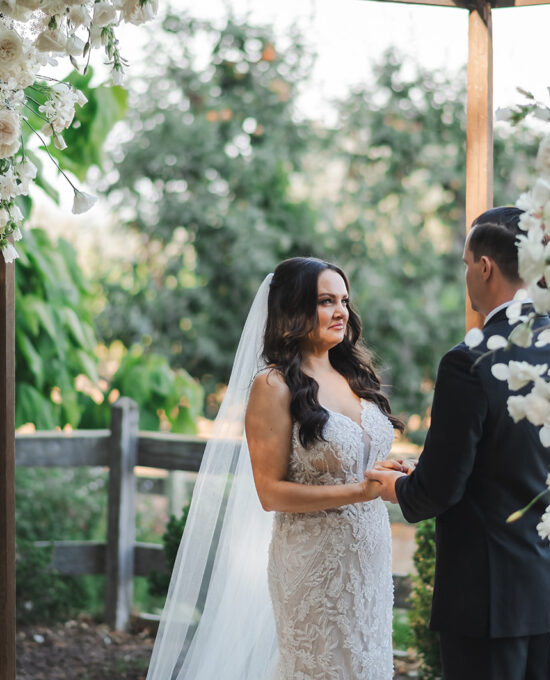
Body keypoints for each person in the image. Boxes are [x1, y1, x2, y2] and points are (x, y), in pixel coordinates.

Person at [146, 257, 403, 680]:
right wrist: (361, 491)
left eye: (344, 300)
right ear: (293, 309)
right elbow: (270, 492)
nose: (341, 312)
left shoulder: (353, 375)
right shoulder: (273, 385)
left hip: (369, 558)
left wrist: (384, 469)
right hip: (313, 563)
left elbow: (352, 462)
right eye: (325, 301)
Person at [366, 206, 550, 680]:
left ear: (485, 267)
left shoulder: (469, 362)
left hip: (487, 602)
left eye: (465, 265)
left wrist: (393, 487)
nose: (466, 277)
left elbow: (440, 489)